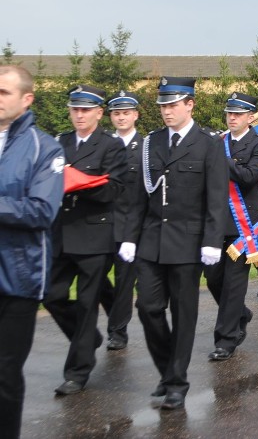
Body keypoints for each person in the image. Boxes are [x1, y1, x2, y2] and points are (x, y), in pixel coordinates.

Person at [119, 77, 228, 409]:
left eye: (172, 105)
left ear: (190, 104)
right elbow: (138, 196)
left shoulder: (208, 143)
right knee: (148, 308)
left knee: (183, 313)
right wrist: (129, 236)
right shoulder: (151, 143)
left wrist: (212, 240)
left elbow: (216, 197)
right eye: (163, 106)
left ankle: (177, 381)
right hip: (152, 240)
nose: (166, 111)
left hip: (189, 242)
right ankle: (168, 371)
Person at [45, 84, 127, 396]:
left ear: (98, 112)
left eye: (85, 109)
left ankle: (77, 372)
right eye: (74, 109)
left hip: (95, 234)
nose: (79, 115)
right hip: (62, 233)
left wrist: (78, 181)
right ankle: (88, 339)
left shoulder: (110, 146)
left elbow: (114, 190)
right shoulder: (59, 142)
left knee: (86, 301)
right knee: (52, 296)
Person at [0, 65, 64, 438]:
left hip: (17, 277)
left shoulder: (44, 147)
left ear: (27, 99)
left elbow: (42, 210)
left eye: (4, 93)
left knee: (5, 373)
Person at [205, 92, 258, 361]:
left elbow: (248, 177)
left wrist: (220, 158)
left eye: (238, 114)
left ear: (250, 117)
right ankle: (241, 314)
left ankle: (226, 339)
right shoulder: (217, 142)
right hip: (216, 219)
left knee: (234, 284)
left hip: (243, 223)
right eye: (229, 113)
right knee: (212, 279)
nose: (232, 118)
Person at [104, 90, 143, 351]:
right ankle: (116, 312)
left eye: (126, 113)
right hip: (102, 222)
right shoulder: (103, 144)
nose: (121, 117)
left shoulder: (146, 148)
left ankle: (118, 331)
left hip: (131, 224)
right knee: (94, 277)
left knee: (124, 280)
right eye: (116, 113)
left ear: (135, 115)